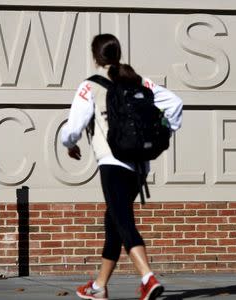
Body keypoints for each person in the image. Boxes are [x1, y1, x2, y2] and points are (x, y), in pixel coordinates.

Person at [61, 34, 183, 300]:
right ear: (118, 53)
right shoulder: (139, 81)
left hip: (112, 162)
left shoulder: (90, 86)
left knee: (123, 220)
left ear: (96, 57)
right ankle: (99, 286)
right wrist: (165, 132)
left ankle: (148, 278)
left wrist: (69, 144)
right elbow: (175, 103)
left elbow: (72, 129)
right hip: (140, 166)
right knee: (114, 221)